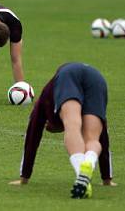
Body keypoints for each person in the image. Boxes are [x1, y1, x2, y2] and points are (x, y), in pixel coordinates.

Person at [9, 62, 115, 199]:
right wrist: (107, 179)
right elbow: (103, 136)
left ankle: (81, 176)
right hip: (97, 78)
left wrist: (24, 177)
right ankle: (88, 162)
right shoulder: (51, 97)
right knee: (92, 138)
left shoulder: (44, 101)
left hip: (68, 75)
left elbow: (32, 137)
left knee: (72, 127)